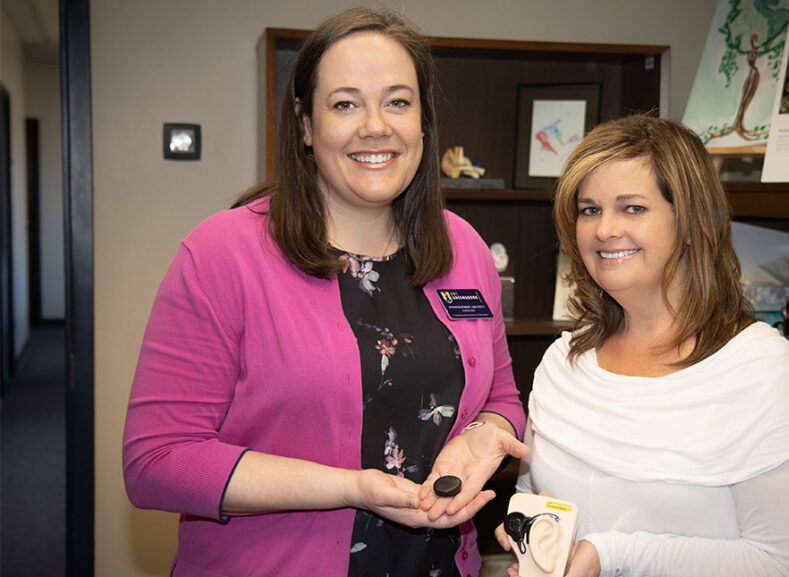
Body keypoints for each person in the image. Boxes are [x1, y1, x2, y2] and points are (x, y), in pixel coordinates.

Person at [123, 8, 528, 577]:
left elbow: (502, 397)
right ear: (306, 125)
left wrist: (485, 436)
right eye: (344, 104)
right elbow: (157, 462)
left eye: (398, 102)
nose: (375, 126)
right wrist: (350, 488)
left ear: (423, 122)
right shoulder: (222, 255)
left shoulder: (464, 248)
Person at [495, 114, 789, 576]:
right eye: (589, 210)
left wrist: (610, 555)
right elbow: (532, 498)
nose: (604, 229)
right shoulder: (562, 362)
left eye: (632, 208)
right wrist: (531, 538)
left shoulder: (756, 365)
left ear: (690, 221)